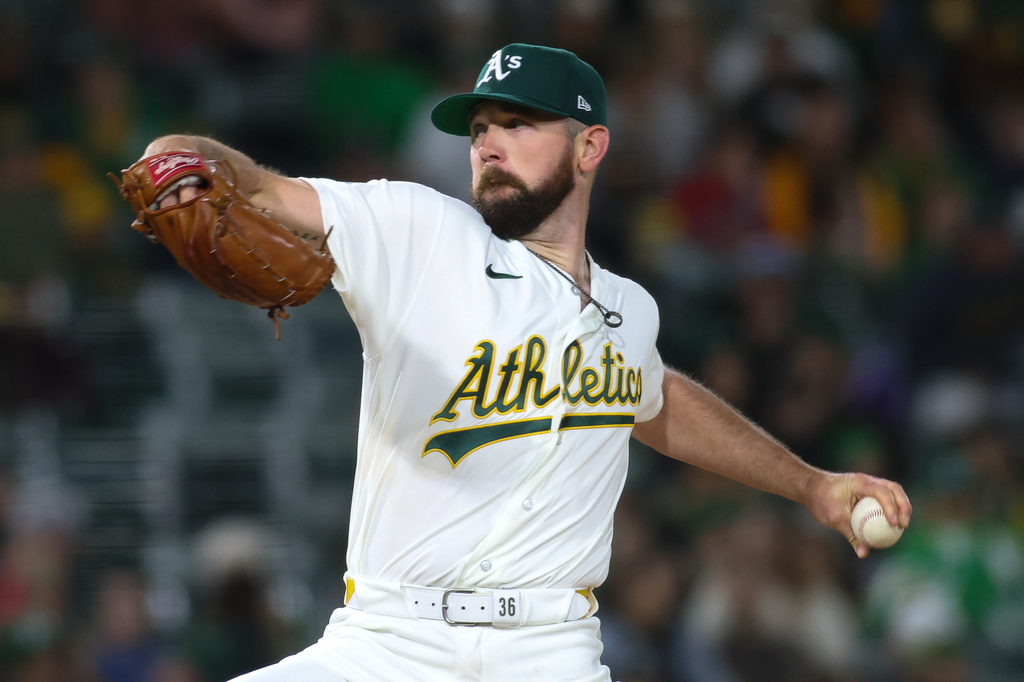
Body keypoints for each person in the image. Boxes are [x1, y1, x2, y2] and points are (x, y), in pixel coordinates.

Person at [135, 44, 911, 682]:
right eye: (478, 129)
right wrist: (176, 156)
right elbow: (260, 186)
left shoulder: (630, 311)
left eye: (518, 123)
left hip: (548, 650)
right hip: (389, 640)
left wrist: (814, 484)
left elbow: (659, 402)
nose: (489, 144)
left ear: (590, 146)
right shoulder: (421, 233)